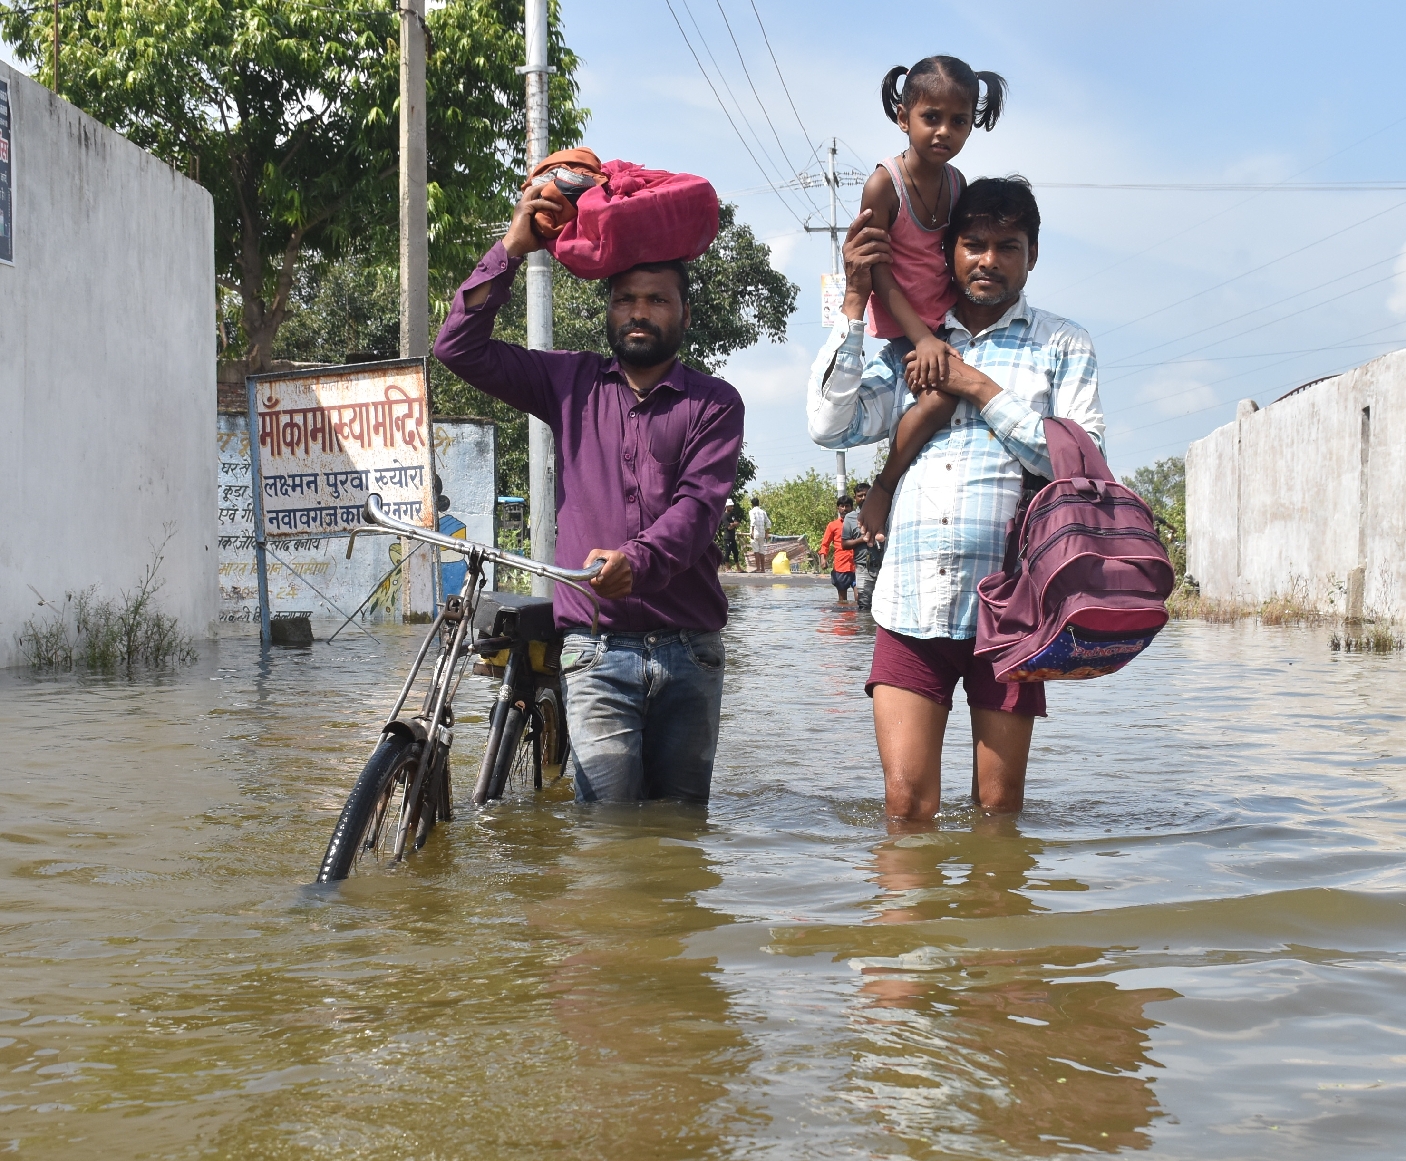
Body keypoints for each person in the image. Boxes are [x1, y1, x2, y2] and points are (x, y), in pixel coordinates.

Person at [806, 177, 1105, 822]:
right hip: (910, 603)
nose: (988, 260)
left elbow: (1076, 463)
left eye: (1008, 246)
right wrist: (854, 308)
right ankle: (910, 926)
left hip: (1013, 612)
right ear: (949, 251)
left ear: (1032, 255)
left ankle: (989, 923)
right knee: (905, 809)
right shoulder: (911, 343)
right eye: (973, 244)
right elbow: (831, 426)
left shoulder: (1062, 345)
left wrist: (975, 385)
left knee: (999, 812)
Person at [434, 184, 744, 804]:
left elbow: (698, 508)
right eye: (625, 298)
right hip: (597, 652)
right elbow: (456, 348)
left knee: (679, 834)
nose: (639, 312)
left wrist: (641, 559)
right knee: (608, 833)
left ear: (683, 314)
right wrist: (513, 247)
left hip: (691, 651)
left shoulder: (715, 402)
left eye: (657, 300)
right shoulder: (567, 382)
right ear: (607, 309)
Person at [854, 56, 1008, 532]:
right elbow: (880, 274)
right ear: (903, 118)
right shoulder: (885, 185)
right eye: (931, 118)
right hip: (906, 325)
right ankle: (883, 491)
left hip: (946, 323)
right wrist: (921, 339)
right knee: (941, 400)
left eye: (959, 121)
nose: (944, 131)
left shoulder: (957, 184)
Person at [844, 482, 882, 611]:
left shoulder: (883, 513)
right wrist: (862, 539)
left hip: (883, 566)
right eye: (860, 495)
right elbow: (845, 544)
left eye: (867, 494)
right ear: (855, 498)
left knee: (883, 605)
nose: (864, 498)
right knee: (864, 605)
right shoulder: (850, 518)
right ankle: (865, 630)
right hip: (863, 567)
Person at [819, 495, 857, 601]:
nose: (844, 509)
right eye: (842, 506)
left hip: (857, 565)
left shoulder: (858, 523)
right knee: (842, 600)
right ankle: (844, 618)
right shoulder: (833, 525)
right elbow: (825, 544)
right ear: (838, 508)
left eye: (847, 506)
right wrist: (823, 559)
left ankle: (857, 618)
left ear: (851, 508)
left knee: (860, 597)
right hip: (841, 566)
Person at [748, 496, 771, 571]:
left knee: (756, 551)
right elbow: (768, 522)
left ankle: (758, 568)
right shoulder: (763, 512)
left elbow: (753, 521)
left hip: (755, 532)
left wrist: (752, 532)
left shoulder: (752, 511)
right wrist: (767, 533)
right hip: (762, 533)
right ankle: (763, 569)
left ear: (752, 504)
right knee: (762, 551)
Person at [721, 500, 743, 571]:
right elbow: (729, 527)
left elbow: (738, 523)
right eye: (730, 506)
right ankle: (727, 567)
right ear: (727, 506)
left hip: (733, 537)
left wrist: (732, 524)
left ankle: (738, 568)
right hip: (727, 537)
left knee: (735, 552)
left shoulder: (733, 515)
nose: (732, 507)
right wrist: (734, 524)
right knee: (727, 552)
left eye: (732, 506)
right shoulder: (724, 516)